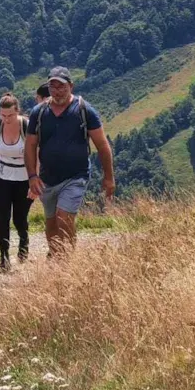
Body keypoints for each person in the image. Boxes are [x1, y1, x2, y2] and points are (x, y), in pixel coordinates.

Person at [24, 67, 115, 257]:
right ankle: (56, 258)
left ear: (71, 86)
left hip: (76, 175)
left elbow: (102, 145)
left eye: (61, 87)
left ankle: (69, 259)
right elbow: (30, 145)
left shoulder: (85, 110)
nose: (57, 91)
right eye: (53, 87)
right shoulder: (38, 113)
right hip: (47, 178)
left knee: (63, 218)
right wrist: (32, 176)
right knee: (50, 223)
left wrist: (109, 178)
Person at [0, 93, 33, 272]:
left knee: (20, 217)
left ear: (17, 111)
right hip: (2, 176)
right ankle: (4, 259)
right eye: (3, 115)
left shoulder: (26, 126)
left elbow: (37, 154)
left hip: (24, 178)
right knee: (3, 218)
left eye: (10, 115)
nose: (7, 119)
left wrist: (36, 181)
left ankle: (23, 243)